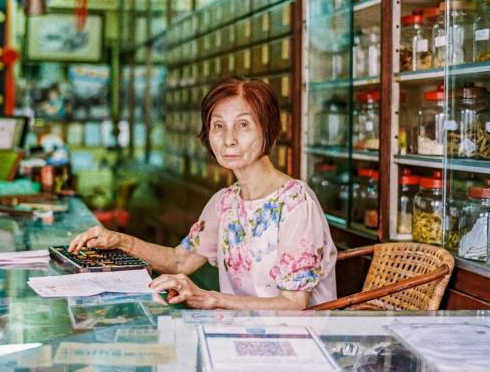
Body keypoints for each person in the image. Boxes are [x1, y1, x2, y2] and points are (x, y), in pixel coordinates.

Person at [69, 77, 337, 309]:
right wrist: (119, 241)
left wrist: (211, 298)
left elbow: (294, 303)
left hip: (297, 345)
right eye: (218, 126)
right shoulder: (226, 201)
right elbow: (179, 261)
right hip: (241, 337)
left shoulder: (295, 203)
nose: (228, 138)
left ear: (269, 130)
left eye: (243, 125)